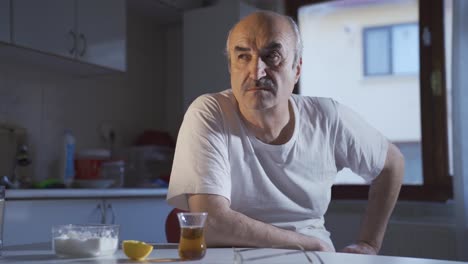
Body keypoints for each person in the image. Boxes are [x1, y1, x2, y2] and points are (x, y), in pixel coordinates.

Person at [167, 10, 404, 254]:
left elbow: (392, 164)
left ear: (297, 69)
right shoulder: (209, 113)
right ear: (230, 68)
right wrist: (307, 242)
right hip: (234, 256)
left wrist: (369, 244)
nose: (256, 71)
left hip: (313, 258)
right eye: (243, 57)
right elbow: (213, 224)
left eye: (272, 56)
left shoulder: (327, 118)